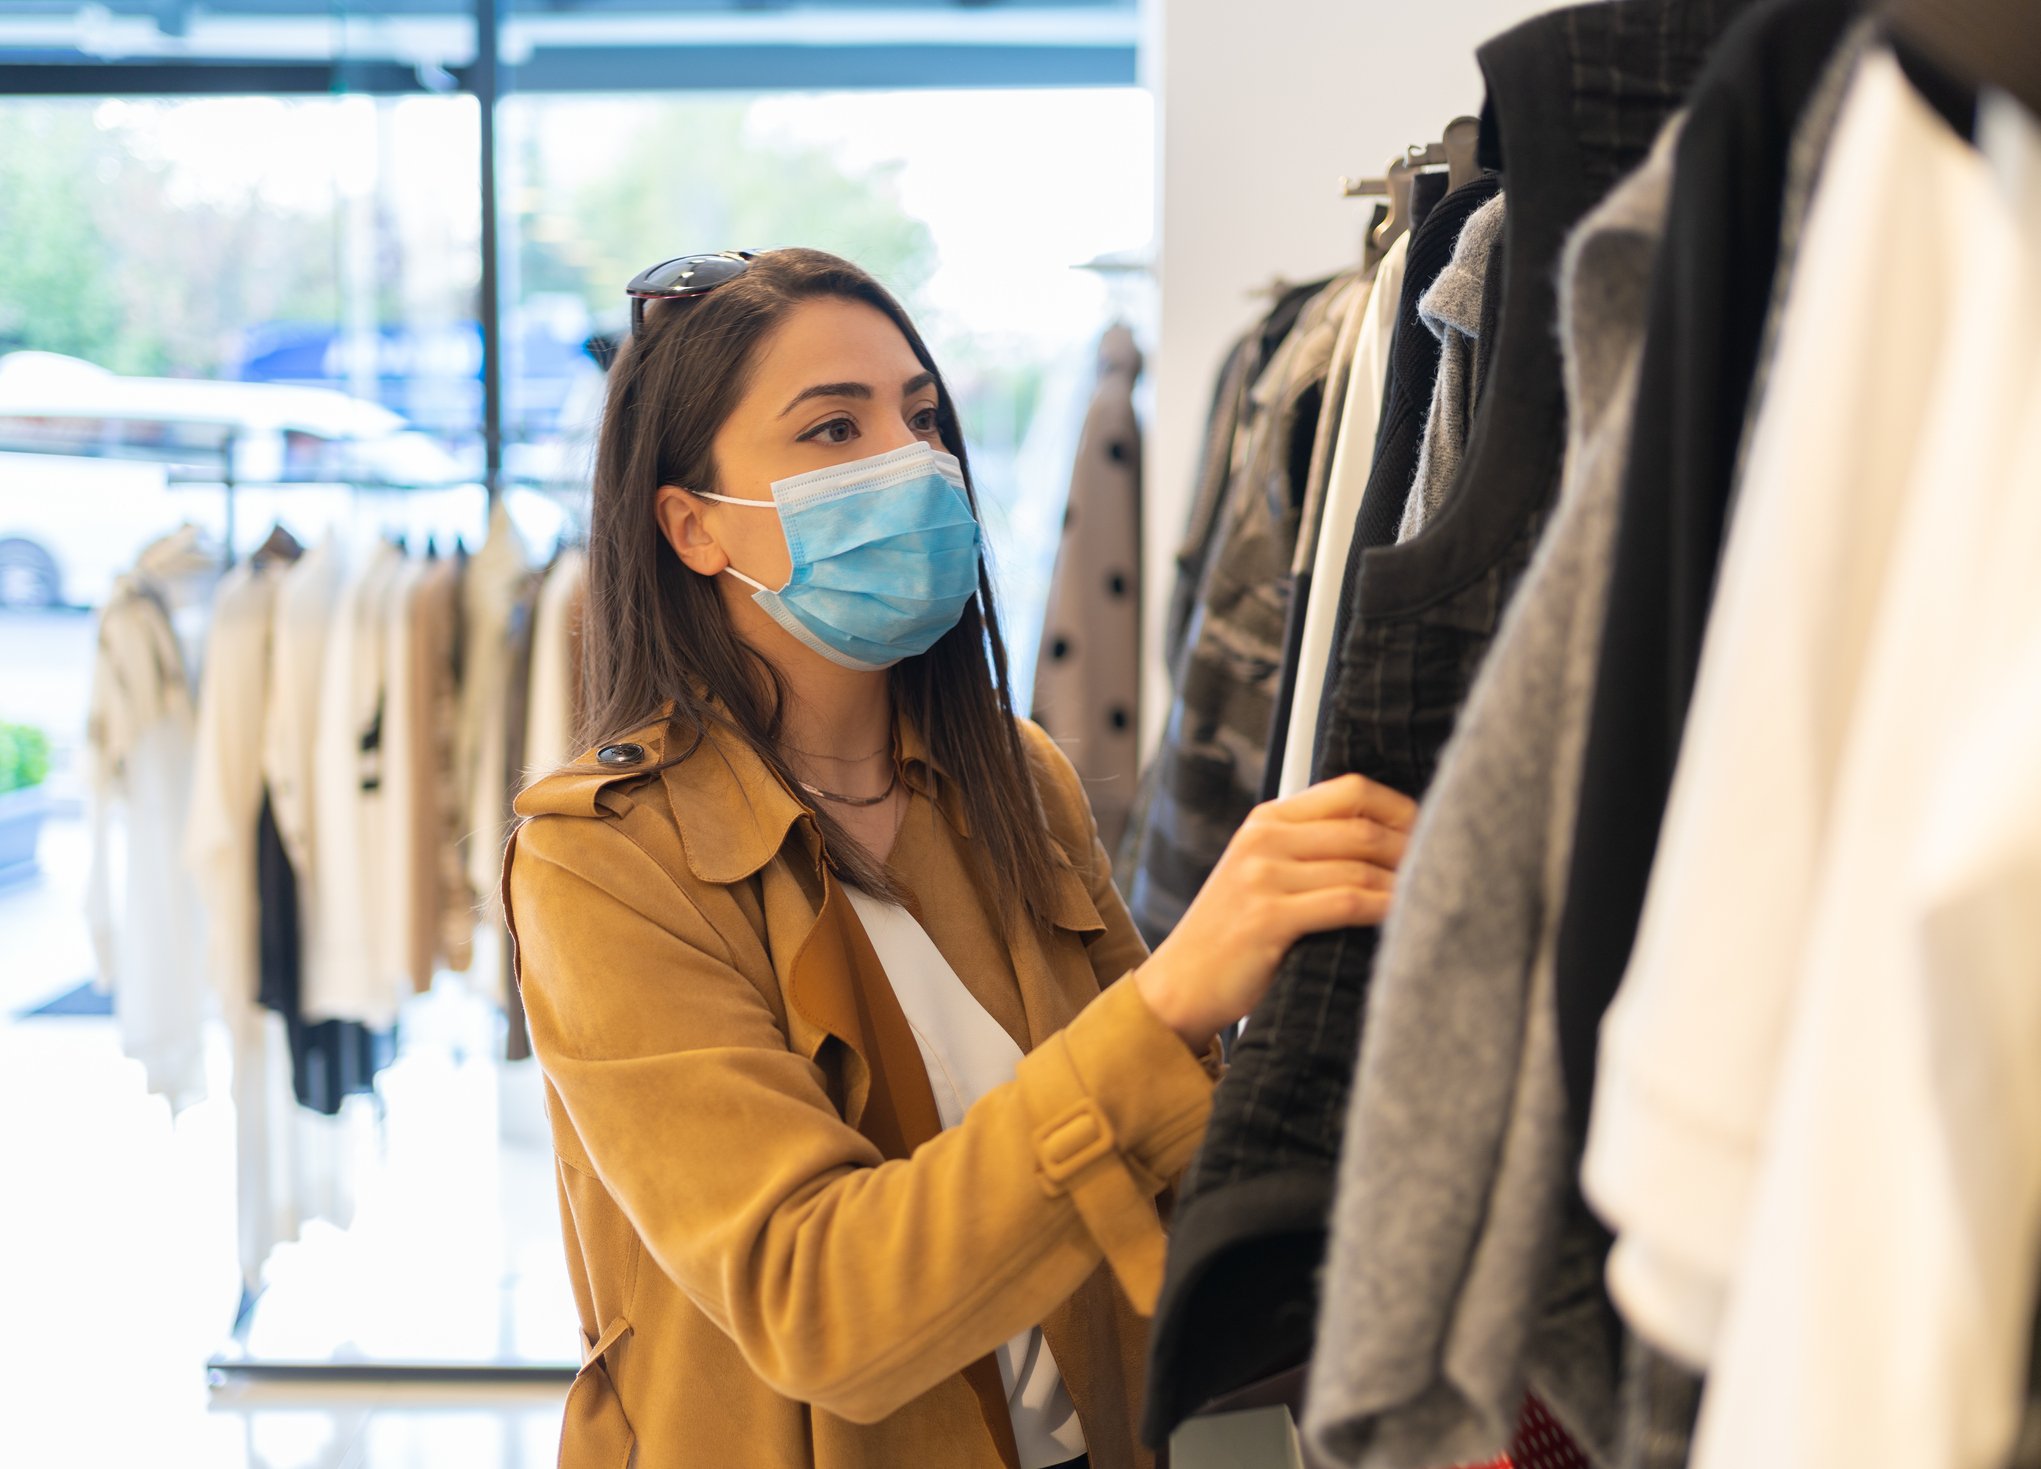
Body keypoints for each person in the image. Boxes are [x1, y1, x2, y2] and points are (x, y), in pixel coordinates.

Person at [502, 247, 1417, 1469]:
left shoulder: (1012, 777)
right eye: (832, 429)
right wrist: (1166, 1002)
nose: (912, 459)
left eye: (921, 415)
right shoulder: (601, 860)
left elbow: (1178, 1168)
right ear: (694, 526)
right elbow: (816, 1300)